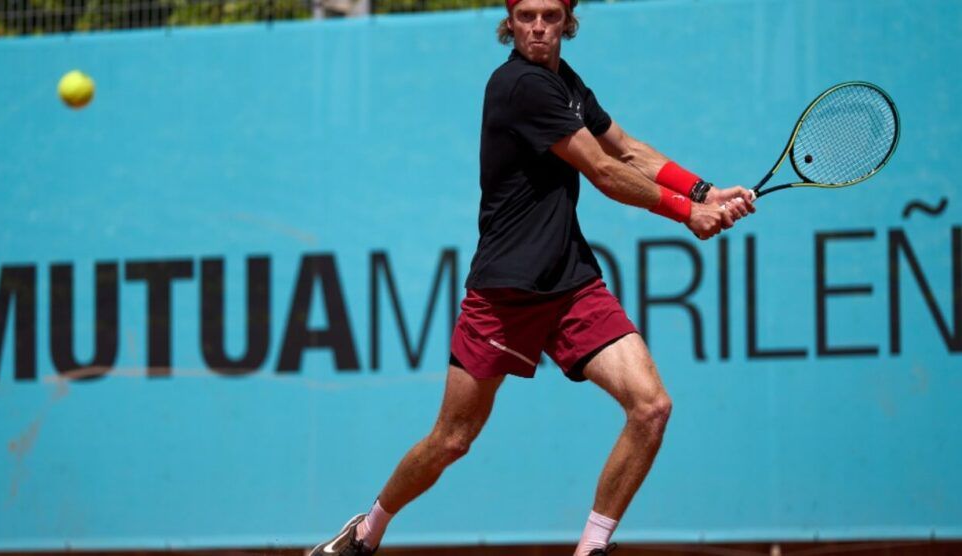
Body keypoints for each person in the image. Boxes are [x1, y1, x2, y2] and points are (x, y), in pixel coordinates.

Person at [309, 0, 754, 553]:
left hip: (570, 282)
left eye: (549, 15)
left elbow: (626, 148)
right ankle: (366, 532)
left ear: (568, 19)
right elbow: (603, 170)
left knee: (651, 407)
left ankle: (591, 547)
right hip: (505, 292)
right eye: (526, 16)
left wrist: (704, 191)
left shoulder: (566, 82)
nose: (538, 27)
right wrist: (688, 213)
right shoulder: (520, 85)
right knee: (452, 439)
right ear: (510, 20)